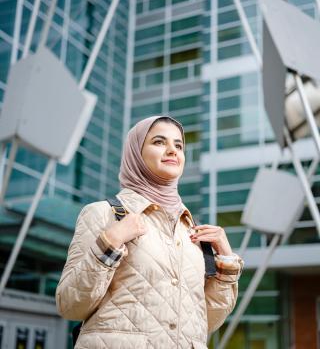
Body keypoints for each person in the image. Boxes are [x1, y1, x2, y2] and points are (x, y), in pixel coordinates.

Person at [56, 115, 244, 349]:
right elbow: (70, 305)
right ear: (136, 153)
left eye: (178, 145)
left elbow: (206, 322)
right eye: (158, 142)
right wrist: (110, 242)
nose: (172, 150)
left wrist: (226, 263)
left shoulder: (191, 231)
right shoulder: (102, 214)